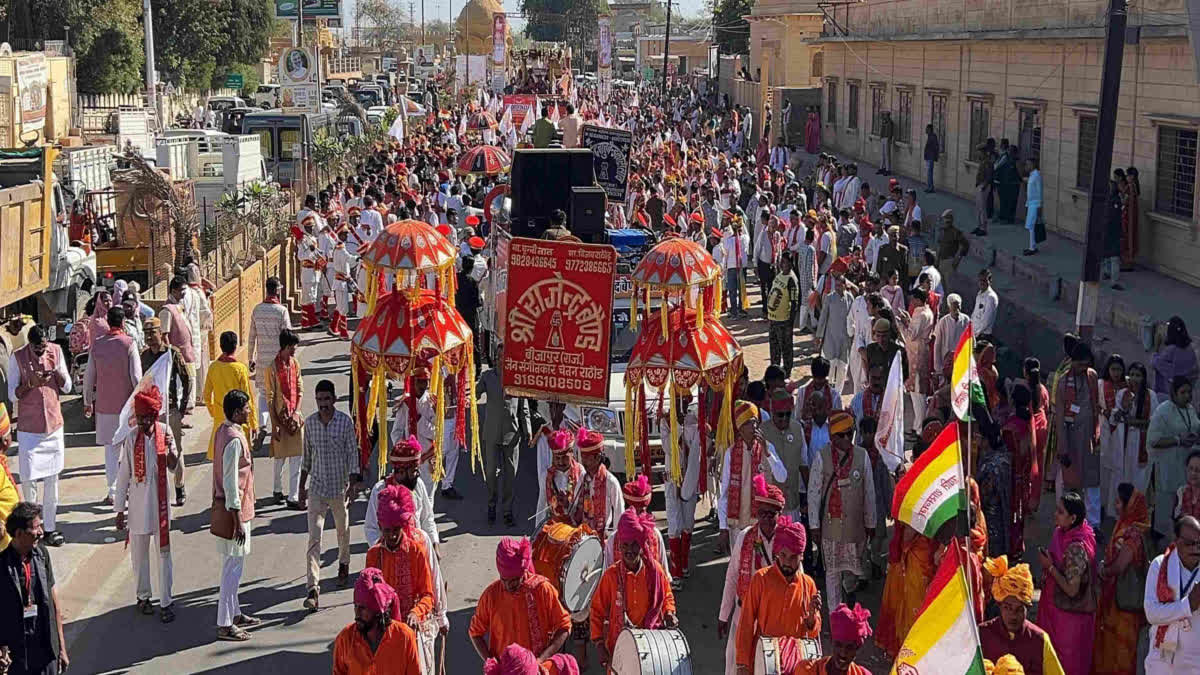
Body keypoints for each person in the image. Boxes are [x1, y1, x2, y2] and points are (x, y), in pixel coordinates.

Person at [113, 386, 179, 623]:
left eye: (147, 417)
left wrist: (170, 448)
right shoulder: (131, 438)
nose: (143, 422)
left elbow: (174, 467)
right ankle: (143, 597)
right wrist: (119, 510)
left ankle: (166, 602)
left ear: (155, 415)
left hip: (160, 506)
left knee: (164, 555)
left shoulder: (165, 431)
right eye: (139, 417)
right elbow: (123, 476)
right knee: (139, 556)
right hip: (139, 508)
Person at [589, 509, 678, 670]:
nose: (629, 550)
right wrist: (599, 644)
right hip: (619, 648)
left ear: (642, 545)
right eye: (625, 545)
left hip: (651, 646)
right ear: (620, 547)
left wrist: (669, 612)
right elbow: (596, 610)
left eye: (634, 545)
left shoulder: (655, 572)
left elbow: (667, 597)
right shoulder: (611, 576)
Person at [300, 379, 360, 611]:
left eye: (327, 399)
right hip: (317, 489)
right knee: (314, 539)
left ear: (334, 399)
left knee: (342, 531)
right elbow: (306, 458)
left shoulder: (344, 423)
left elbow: (352, 454)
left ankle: (343, 563)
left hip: (339, 489)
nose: (323, 404)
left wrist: (353, 483)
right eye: (319, 400)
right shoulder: (311, 424)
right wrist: (301, 488)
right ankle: (312, 588)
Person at [734, 516, 821, 674]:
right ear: (776, 553)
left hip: (796, 664)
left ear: (801, 556)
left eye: (793, 557)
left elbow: (814, 633)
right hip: (765, 660)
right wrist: (742, 664)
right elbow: (746, 623)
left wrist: (811, 621)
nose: (787, 562)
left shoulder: (808, 584)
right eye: (783, 555)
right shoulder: (761, 579)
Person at [364, 484, 436, 673]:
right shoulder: (373, 555)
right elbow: (367, 599)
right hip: (382, 637)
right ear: (380, 527)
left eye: (396, 529)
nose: (392, 535)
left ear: (404, 525)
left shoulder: (417, 551)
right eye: (387, 530)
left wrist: (416, 613)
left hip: (412, 633)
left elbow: (428, 595)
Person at [9, 326, 70, 546]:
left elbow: (68, 386)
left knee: (52, 480)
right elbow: (11, 394)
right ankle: (31, 529)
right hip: (29, 430)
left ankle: (50, 528)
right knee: (29, 480)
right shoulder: (17, 358)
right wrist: (30, 384)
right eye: (37, 347)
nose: (41, 351)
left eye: (43, 346)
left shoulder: (55, 351)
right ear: (30, 344)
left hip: (53, 428)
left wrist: (57, 372)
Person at [807, 411, 875, 609]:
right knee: (833, 574)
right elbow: (813, 494)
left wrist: (871, 523)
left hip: (855, 529)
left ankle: (850, 599)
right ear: (832, 437)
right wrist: (814, 526)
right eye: (841, 435)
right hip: (831, 528)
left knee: (852, 572)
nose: (847, 438)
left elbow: (868, 493)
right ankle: (836, 616)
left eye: (849, 433)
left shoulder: (862, 457)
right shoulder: (822, 457)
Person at [469, 538, 571, 664]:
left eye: (514, 580)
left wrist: (541, 660)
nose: (508, 586)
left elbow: (564, 627)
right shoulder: (491, 595)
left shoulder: (542, 589)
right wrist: (491, 663)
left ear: (523, 572)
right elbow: (475, 633)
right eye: (504, 579)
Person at [718, 476, 784, 674]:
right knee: (735, 663)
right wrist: (723, 615)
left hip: (773, 619)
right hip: (743, 613)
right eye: (761, 513)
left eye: (771, 514)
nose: (765, 518)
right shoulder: (745, 536)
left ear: (779, 514)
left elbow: (799, 581)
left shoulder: (787, 540)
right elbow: (731, 577)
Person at [84, 305, 143, 505]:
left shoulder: (97, 345)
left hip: (104, 407)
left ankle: (112, 491)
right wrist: (142, 400)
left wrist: (87, 402)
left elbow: (89, 377)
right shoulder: (129, 343)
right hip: (127, 408)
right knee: (130, 449)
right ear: (123, 322)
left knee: (111, 451)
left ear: (108, 322)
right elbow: (136, 377)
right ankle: (130, 489)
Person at [0, 503, 68, 673]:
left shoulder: (42, 554)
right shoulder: (2, 565)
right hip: (19, 654)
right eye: (36, 527)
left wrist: (61, 648)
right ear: (19, 533)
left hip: (46, 649)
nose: (41, 532)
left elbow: (54, 606)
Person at [213, 389, 258, 642]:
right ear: (236, 412)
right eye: (246, 408)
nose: (249, 411)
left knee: (235, 566)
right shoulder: (232, 439)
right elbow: (230, 483)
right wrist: (238, 519)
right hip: (234, 513)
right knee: (232, 569)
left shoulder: (226, 431)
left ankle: (236, 613)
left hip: (238, 509)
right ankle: (225, 623)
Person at [1036, 491, 1097, 675]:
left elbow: (1072, 590)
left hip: (1069, 620)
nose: (1055, 514)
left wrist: (1050, 567)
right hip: (1055, 610)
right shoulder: (1061, 533)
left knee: (1065, 665)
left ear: (1073, 518)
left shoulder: (1076, 548)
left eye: (1061, 512)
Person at [1093, 484, 1150, 675]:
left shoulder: (1133, 534)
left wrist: (1103, 570)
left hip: (1125, 603)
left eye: (1118, 501)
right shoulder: (1123, 524)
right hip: (1115, 596)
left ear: (1129, 505)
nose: (1115, 505)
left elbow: (1120, 566)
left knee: (1123, 650)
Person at [978, 555, 1065, 674]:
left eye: (1019, 609)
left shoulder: (1039, 640)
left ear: (1027, 609)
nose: (1013, 615)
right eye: (1008, 608)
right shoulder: (982, 635)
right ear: (999, 606)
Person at [719, 401, 788, 552]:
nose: (754, 428)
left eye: (755, 423)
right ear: (740, 428)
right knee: (739, 567)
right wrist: (723, 528)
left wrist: (768, 453)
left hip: (762, 523)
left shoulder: (767, 448)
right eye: (749, 424)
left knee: (760, 566)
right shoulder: (731, 453)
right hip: (737, 525)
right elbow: (724, 492)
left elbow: (782, 477)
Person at [140, 318, 192, 506]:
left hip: (170, 409)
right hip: (152, 411)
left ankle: (179, 487)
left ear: (161, 333)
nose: (149, 337)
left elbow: (187, 380)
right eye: (146, 333)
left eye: (152, 332)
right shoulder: (144, 357)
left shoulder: (172, 354)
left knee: (175, 450)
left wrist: (182, 407)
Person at [478, 344, 531, 525]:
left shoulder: (517, 377)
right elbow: (474, 395)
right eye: (500, 356)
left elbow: (523, 408)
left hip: (512, 433)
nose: (503, 359)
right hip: (491, 433)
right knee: (491, 472)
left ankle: (507, 510)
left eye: (506, 356)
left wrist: (528, 430)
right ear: (496, 357)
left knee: (511, 475)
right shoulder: (487, 377)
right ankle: (491, 505)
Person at [332, 567, 422, 674]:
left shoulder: (404, 637)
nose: (357, 613)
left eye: (363, 608)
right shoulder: (345, 639)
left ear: (378, 611)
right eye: (356, 606)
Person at [1144, 514, 1200, 674]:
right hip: (1161, 656)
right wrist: (1188, 605)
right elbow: (1152, 613)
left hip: (1194, 662)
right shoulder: (1159, 565)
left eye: (1199, 543)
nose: (1196, 548)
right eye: (1190, 543)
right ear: (1176, 541)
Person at [365, 436, 440, 553]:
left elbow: (427, 519)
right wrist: (386, 552)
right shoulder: (379, 490)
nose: (418, 474)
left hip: (417, 553)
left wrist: (435, 544)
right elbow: (371, 528)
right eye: (414, 471)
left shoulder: (418, 484)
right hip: (389, 556)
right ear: (400, 471)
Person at [877, 520, 937, 657]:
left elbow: (909, 531)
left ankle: (909, 651)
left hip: (916, 560)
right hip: (917, 558)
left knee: (911, 608)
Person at [1148, 376, 1200, 535]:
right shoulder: (1163, 410)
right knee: (1166, 507)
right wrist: (1178, 440)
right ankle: (1164, 545)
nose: (1186, 396)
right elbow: (1153, 441)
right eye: (1182, 392)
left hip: (1186, 467)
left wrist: (1193, 438)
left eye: (1189, 392)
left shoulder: (1190, 409)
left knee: (1184, 505)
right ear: (1174, 393)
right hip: (1168, 467)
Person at [202, 331, 258, 461]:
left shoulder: (213, 367)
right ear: (235, 346)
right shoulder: (240, 368)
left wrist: (215, 412)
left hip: (219, 421)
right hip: (238, 421)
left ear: (220, 346)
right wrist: (253, 424)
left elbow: (206, 395)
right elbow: (247, 398)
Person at [247, 276, 294, 429]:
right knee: (280, 393)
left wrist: (250, 359)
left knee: (263, 393)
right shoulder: (282, 311)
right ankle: (278, 426)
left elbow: (251, 337)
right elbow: (288, 336)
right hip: (278, 360)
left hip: (262, 360)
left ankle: (262, 425)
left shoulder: (257, 310)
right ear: (278, 291)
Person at [264, 329, 304, 508]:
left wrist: (296, 412)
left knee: (297, 457)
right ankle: (277, 489)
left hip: (294, 419)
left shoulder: (295, 364)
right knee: (279, 459)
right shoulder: (271, 368)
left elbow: (300, 389)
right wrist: (275, 425)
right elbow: (270, 398)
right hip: (280, 418)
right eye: (292, 347)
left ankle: (293, 496)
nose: (294, 351)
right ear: (285, 347)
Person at [602, 476, 670, 578]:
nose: (637, 517)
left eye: (641, 511)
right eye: (634, 512)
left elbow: (664, 576)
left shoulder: (656, 536)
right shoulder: (613, 540)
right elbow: (607, 578)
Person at [761, 389, 808, 521]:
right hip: (770, 506)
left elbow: (804, 464)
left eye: (788, 414)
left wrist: (808, 497)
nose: (785, 419)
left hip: (793, 503)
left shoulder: (798, 429)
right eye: (780, 415)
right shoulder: (762, 432)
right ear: (772, 413)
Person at [1113, 362, 1156, 498]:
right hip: (1124, 440)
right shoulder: (1122, 394)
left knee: (1140, 479)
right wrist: (1121, 411)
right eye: (1131, 375)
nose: (1134, 378)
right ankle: (1122, 513)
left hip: (1142, 441)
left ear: (1143, 378)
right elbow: (1116, 416)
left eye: (1138, 375)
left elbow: (1153, 421)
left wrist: (1135, 422)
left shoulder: (1151, 395)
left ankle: (1136, 512)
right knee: (1123, 475)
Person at [794, 603, 873, 675]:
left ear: (857, 648)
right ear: (831, 641)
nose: (843, 653)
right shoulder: (807, 671)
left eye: (849, 647)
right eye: (838, 644)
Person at [578, 428, 624, 545]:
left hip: (604, 540)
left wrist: (616, 542)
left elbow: (619, 512)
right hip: (582, 539)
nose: (583, 462)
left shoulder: (611, 481)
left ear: (598, 457)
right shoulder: (582, 478)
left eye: (587, 458)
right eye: (582, 457)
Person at [815, 274, 854, 397]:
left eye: (840, 285)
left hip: (845, 340)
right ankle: (828, 394)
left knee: (843, 368)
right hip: (830, 338)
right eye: (836, 285)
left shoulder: (850, 298)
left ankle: (838, 395)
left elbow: (853, 319)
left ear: (844, 285)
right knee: (830, 367)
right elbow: (823, 317)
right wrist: (819, 335)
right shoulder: (829, 298)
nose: (837, 287)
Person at [766, 254, 799, 373]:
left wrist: (790, 322)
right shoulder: (779, 275)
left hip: (784, 321)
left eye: (784, 262)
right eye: (781, 262)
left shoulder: (791, 280)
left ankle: (786, 371)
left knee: (785, 348)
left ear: (790, 264)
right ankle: (775, 370)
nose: (782, 265)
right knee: (774, 347)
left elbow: (794, 302)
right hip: (773, 319)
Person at [1152, 317, 1197, 399]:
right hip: (1186, 395)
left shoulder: (1171, 350)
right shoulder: (1190, 350)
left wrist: (1156, 347)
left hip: (1170, 395)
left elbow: (1155, 363)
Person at [721, 217, 752, 318]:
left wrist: (724, 268)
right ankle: (741, 308)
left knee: (732, 290)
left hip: (731, 267)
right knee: (741, 289)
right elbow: (747, 237)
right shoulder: (745, 238)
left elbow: (725, 256)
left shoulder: (728, 241)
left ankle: (734, 311)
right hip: (741, 267)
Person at [972, 268, 999, 341]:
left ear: (990, 281)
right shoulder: (979, 294)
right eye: (980, 280)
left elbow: (986, 321)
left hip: (982, 336)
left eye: (984, 280)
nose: (982, 283)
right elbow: (975, 314)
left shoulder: (991, 297)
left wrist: (975, 335)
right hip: (974, 334)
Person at [1024, 158, 1043, 256]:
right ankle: (1032, 246)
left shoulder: (1037, 175)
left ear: (1033, 165)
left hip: (1035, 204)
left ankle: (1032, 248)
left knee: (1031, 226)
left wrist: (1039, 206)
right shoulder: (1032, 175)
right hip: (1031, 203)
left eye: (1028, 164)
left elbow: (1039, 192)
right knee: (1030, 226)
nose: (1026, 166)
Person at [923, 124, 940, 193]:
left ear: (929, 129)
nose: (925, 130)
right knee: (929, 173)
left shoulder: (933, 137)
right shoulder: (930, 136)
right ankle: (929, 187)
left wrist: (934, 156)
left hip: (931, 157)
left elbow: (936, 147)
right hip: (929, 157)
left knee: (929, 173)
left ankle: (930, 188)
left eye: (927, 129)